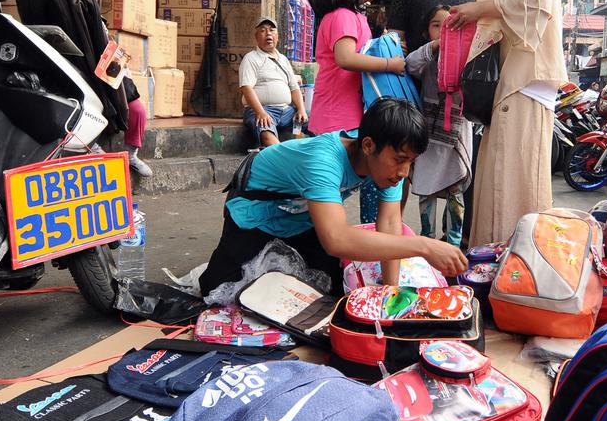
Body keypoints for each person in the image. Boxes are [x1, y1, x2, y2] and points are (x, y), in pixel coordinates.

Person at [199, 98, 468, 296]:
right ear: (368, 145)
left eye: (411, 162)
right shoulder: (323, 160)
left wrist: (390, 293)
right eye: (400, 160)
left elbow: (389, 226)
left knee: (328, 292)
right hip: (254, 213)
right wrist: (424, 246)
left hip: (302, 219)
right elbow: (336, 240)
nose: (404, 171)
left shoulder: (388, 168)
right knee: (221, 291)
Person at [446, 0, 566, 245]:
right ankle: (510, 261)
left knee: (507, 180)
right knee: (514, 177)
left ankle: (505, 262)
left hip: (523, 82)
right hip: (525, 82)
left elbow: (537, 1)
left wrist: (481, 8)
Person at [309, 0, 404, 223]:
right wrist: (390, 64)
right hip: (338, 122)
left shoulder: (354, 17)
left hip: (346, 117)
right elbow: (345, 58)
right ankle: (367, 240)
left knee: (339, 191)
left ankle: (367, 239)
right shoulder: (343, 16)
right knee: (339, 189)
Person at [406, 5, 472, 246]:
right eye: (437, 25)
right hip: (429, 139)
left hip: (456, 138)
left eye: (450, 25)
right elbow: (410, 64)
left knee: (456, 190)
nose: (444, 30)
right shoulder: (427, 58)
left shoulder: (468, 55)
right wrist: (435, 46)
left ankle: (453, 243)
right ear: (426, 31)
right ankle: (427, 240)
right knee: (425, 188)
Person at [239, 17, 307, 148]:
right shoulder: (251, 58)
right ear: (256, 37)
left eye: (271, 30)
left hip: (287, 111)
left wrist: (301, 109)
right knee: (266, 132)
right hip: (264, 110)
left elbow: (294, 88)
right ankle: (283, 160)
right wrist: (260, 112)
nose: (268, 34)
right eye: (263, 31)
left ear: (277, 36)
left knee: (315, 122)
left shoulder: (283, 59)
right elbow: (246, 88)